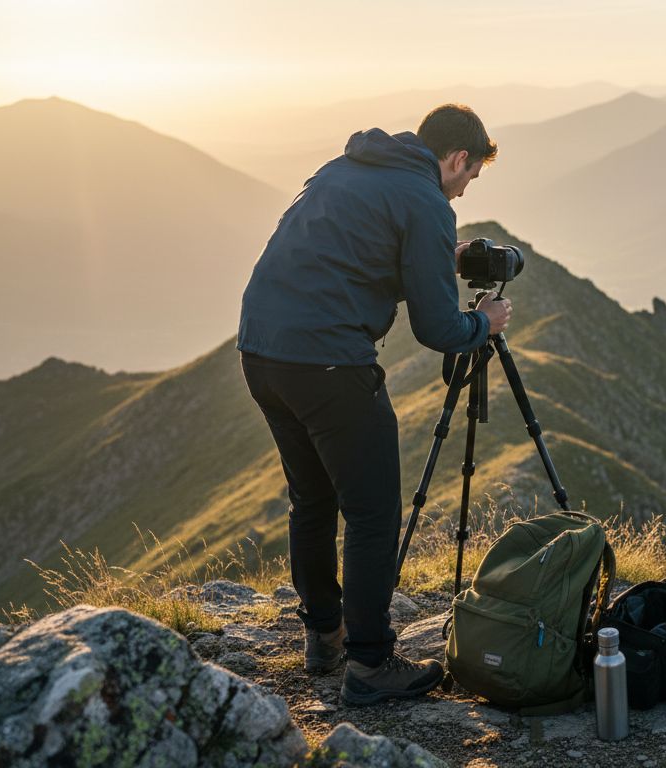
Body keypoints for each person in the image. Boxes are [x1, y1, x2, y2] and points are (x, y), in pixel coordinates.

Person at [236, 104, 512, 705]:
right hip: (329, 361)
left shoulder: (347, 167)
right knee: (372, 513)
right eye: (469, 179)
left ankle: (324, 638)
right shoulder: (424, 200)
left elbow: (352, 252)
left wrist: (439, 250)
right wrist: (482, 322)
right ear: (457, 158)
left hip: (260, 352)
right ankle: (369, 665)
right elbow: (439, 328)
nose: (463, 193)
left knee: (312, 499)